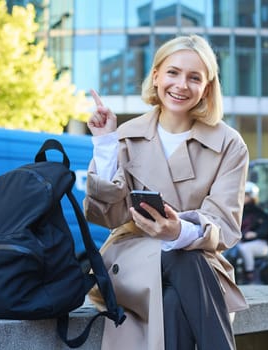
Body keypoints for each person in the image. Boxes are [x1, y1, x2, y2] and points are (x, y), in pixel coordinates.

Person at [83, 34, 249, 350]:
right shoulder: (126, 136)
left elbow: (225, 225)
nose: (181, 85)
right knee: (182, 259)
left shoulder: (229, 144)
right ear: (156, 75)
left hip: (198, 265)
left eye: (194, 77)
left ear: (207, 88)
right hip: (131, 261)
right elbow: (107, 217)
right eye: (173, 72)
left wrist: (178, 231)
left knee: (174, 298)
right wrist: (104, 144)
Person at [236, 181, 268, 283]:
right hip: (241, 241)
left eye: (246, 195)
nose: (243, 197)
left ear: (252, 196)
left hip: (260, 243)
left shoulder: (261, 212)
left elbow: (266, 229)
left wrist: (255, 234)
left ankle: (249, 274)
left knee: (244, 249)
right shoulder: (240, 212)